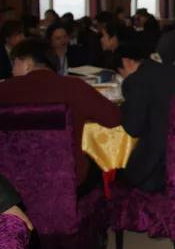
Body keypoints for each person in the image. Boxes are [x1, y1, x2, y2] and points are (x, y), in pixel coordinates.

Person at [0, 39, 121, 192]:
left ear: (26, 63)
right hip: (67, 177)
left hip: (12, 180)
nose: (12, 71)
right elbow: (114, 118)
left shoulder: (4, 90)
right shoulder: (74, 87)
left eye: (14, 64)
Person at [118, 43, 175, 192]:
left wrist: (123, 109)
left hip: (156, 168)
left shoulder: (135, 81)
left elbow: (133, 128)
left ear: (126, 62)